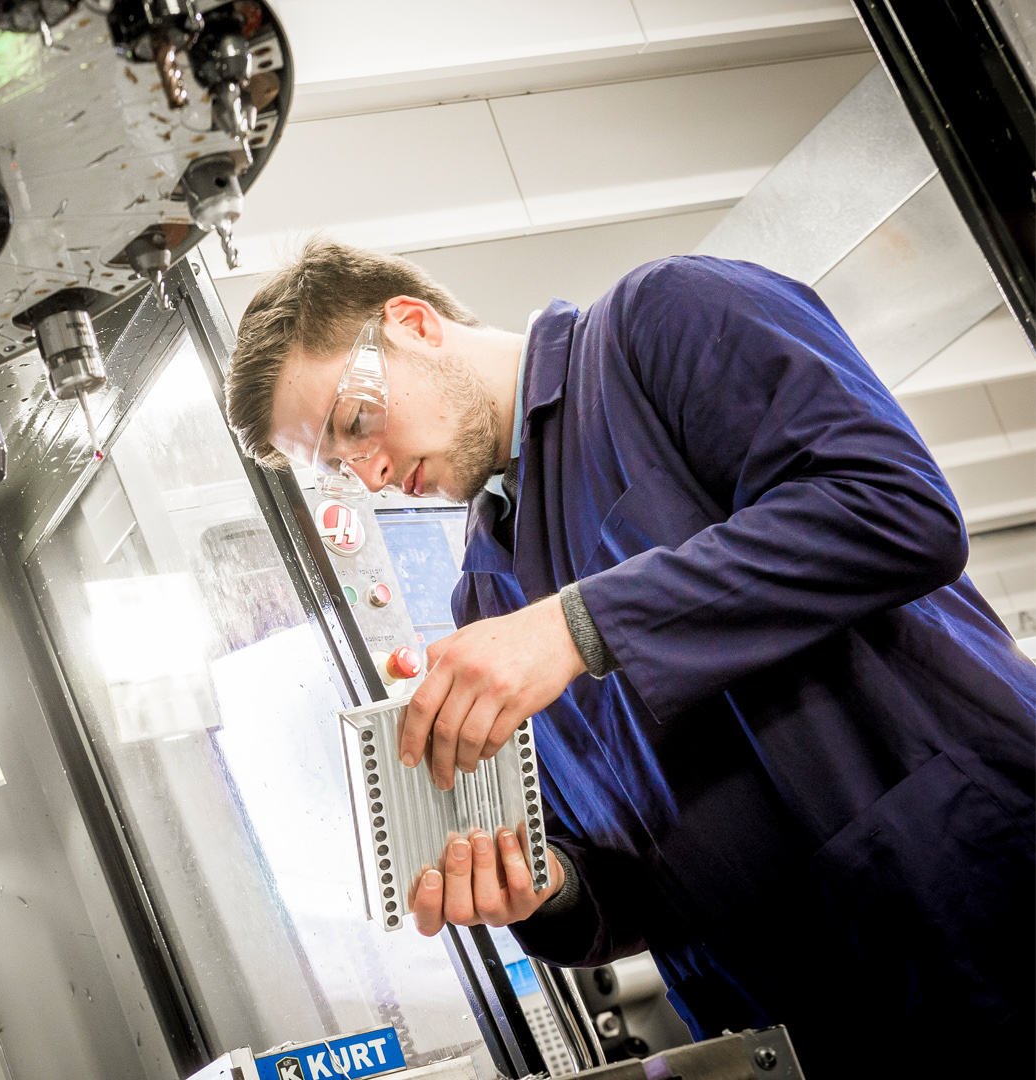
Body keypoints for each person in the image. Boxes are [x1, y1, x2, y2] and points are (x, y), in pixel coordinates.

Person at [222, 239, 1035, 1077]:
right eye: (344, 469)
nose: (376, 470)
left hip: (977, 916)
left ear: (414, 325)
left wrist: (580, 626)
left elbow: (895, 510)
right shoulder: (485, 596)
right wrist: (545, 888)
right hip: (786, 1028)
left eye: (356, 425)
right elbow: (630, 882)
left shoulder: (659, 320)